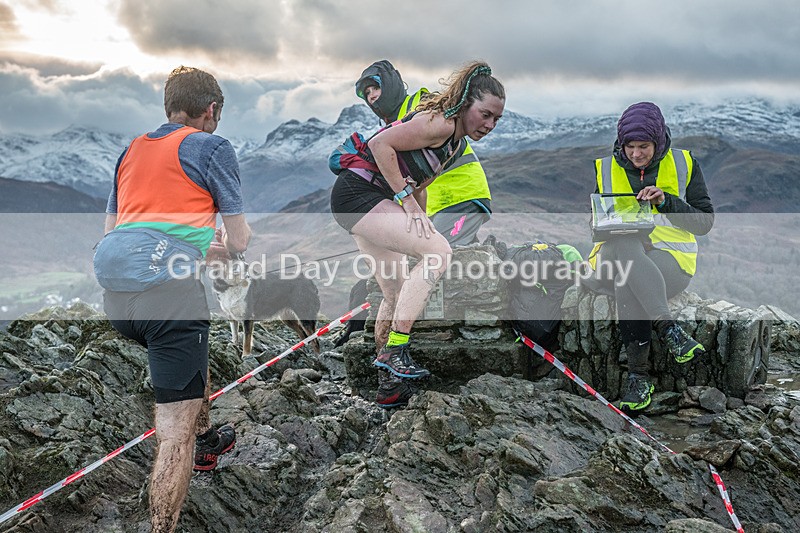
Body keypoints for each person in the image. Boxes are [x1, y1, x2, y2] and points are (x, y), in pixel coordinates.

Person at [93, 66, 251, 532]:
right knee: (173, 436)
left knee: (189, 365)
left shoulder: (132, 150)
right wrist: (224, 246)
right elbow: (239, 239)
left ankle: (206, 437)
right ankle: (163, 524)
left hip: (118, 300)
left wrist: (193, 248)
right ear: (211, 110)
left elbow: (114, 229)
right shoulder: (212, 148)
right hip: (170, 303)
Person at [329, 61, 505, 408]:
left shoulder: (454, 143)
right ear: (466, 102)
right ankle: (396, 350)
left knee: (394, 292)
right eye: (485, 114)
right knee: (438, 252)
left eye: (496, 119)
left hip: (359, 198)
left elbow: (421, 183)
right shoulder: (440, 123)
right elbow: (380, 144)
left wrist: (419, 219)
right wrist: (406, 202)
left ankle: (388, 386)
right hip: (360, 194)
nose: (489, 125)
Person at [586, 101, 714, 414]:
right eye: (629, 147)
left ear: (657, 141)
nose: (636, 154)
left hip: (669, 261)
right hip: (610, 257)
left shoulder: (684, 163)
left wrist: (666, 201)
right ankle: (669, 330)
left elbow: (704, 223)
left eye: (643, 146)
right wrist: (615, 226)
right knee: (624, 246)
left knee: (628, 277)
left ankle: (638, 379)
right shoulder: (606, 168)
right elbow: (595, 224)